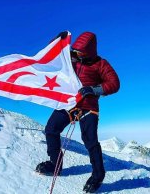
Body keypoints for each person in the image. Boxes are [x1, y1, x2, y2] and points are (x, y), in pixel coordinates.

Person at [35, 31, 120, 193]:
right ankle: (55, 165)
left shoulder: (101, 64)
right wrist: (57, 40)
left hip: (88, 107)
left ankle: (98, 175)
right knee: (51, 129)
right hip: (69, 103)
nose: (77, 55)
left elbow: (114, 84)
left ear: (89, 52)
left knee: (89, 140)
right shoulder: (71, 57)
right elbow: (53, 53)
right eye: (75, 51)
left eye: (81, 53)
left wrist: (94, 90)